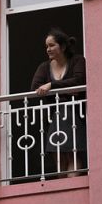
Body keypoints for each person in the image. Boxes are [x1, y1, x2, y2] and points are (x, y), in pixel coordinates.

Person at [30, 29, 87, 175]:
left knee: (73, 154)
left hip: (75, 115)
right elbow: (35, 88)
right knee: (60, 158)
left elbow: (79, 81)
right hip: (53, 117)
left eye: (51, 45)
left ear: (62, 47)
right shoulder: (44, 67)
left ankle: (73, 188)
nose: (48, 49)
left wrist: (51, 86)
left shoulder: (77, 60)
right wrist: (66, 89)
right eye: (47, 46)